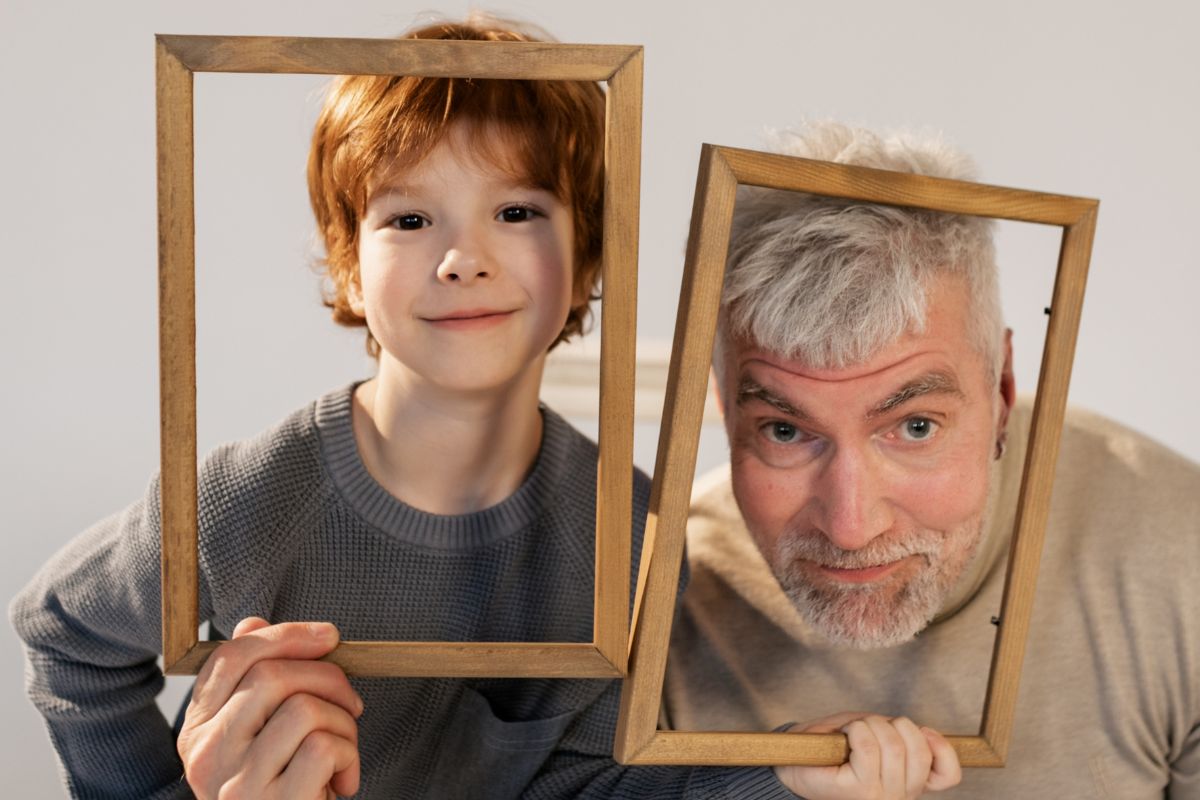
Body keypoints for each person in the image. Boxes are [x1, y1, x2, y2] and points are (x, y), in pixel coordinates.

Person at [9, 20, 960, 800]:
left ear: (589, 260)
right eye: (410, 219)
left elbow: (592, 785)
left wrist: (782, 781)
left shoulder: (622, 529)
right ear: (348, 262)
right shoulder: (244, 498)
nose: (462, 258)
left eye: (517, 212)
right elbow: (65, 632)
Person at [662, 121, 1200, 797]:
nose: (851, 527)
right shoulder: (656, 600)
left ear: (1002, 391)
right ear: (723, 407)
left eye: (914, 426)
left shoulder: (1183, 561)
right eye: (785, 432)